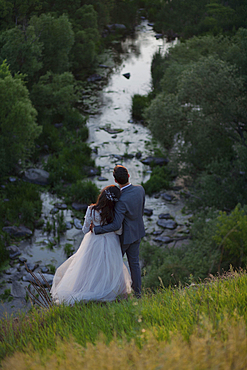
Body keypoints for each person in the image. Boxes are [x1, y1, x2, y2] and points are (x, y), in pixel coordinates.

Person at [50, 185, 131, 305]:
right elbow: (118, 230)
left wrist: (95, 227)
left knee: (89, 266)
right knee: (109, 266)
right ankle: (111, 289)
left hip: (94, 241)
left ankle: (87, 288)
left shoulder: (92, 210)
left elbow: (85, 230)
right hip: (111, 241)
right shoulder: (115, 211)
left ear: (102, 195)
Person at [93, 165, 145, 298]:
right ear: (128, 176)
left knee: (111, 264)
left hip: (124, 237)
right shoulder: (140, 189)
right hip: (137, 232)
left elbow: (116, 225)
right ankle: (138, 294)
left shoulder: (120, 199)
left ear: (115, 181)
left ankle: (109, 293)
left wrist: (98, 229)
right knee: (134, 264)